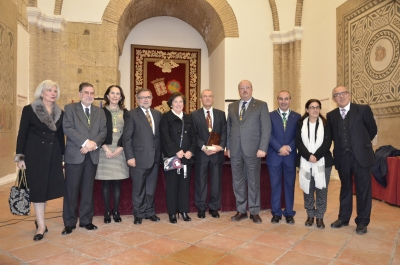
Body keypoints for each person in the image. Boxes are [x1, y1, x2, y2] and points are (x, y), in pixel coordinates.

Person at [15, 80, 65, 241]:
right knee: (38, 190)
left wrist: (62, 157)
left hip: (53, 155)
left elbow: (59, 137)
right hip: (34, 156)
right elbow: (22, 134)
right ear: (42, 92)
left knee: (47, 189)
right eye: (50, 90)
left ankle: (40, 218)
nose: (53, 93)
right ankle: (41, 226)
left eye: (55, 91)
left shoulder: (60, 112)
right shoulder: (29, 110)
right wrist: (20, 157)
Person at [327, 86, 377, 235]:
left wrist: (360, 145)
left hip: (361, 156)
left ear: (349, 95)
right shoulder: (331, 115)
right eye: (337, 95)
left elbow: (372, 130)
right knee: (345, 187)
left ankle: (362, 222)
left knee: (363, 189)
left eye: (344, 93)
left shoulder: (362, 109)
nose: (341, 96)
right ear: (334, 99)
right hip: (342, 157)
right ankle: (343, 218)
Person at [62, 82, 107, 235]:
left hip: (92, 155)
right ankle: (69, 222)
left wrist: (93, 145)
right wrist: (85, 142)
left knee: (88, 190)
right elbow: (68, 128)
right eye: (86, 92)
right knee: (71, 191)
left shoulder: (99, 112)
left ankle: (86, 220)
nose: (89, 95)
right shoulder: (70, 109)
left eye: (92, 93)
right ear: (80, 94)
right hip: (75, 155)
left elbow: (103, 132)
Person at [226, 80, 271, 224]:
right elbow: (229, 128)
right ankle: (241, 210)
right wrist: (228, 147)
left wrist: (263, 148)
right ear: (238, 90)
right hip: (235, 150)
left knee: (253, 181)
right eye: (241, 88)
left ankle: (254, 211)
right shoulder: (232, 106)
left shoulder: (260, 105)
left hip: (253, 150)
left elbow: (266, 129)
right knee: (237, 181)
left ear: (252, 89)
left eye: (247, 88)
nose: (244, 90)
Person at [123, 88, 162, 225]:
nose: (145, 100)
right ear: (137, 99)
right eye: (142, 97)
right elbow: (126, 138)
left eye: (148, 97)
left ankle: (150, 212)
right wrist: (130, 157)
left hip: (155, 159)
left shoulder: (157, 114)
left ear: (151, 99)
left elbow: (159, 137)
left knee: (151, 188)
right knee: (139, 188)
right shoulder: (131, 114)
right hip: (138, 158)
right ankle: (138, 213)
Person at [296, 99, 334, 228]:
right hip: (305, 162)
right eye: (312, 107)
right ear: (307, 110)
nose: (315, 110)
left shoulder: (326, 123)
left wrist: (316, 156)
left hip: (323, 162)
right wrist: (308, 156)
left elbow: (327, 142)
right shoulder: (300, 124)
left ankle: (320, 217)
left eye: (317, 107)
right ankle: (310, 215)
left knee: (321, 190)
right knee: (308, 189)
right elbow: (298, 142)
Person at [160, 92, 197, 223]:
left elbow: (194, 137)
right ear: (171, 104)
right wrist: (176, 151)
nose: (178, 104)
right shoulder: (166, 117)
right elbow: (165, 137)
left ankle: (184, 211)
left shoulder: (188, 118)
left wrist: (191, 151)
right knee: (172, 185)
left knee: (184, 185)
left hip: (187, 157)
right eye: (175, 101)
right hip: (172, 158)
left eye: (180, 102)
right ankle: (172, 212)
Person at [191, 89, 227, 219]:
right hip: (201, 154)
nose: (207, 98)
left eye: (210, 96)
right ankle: (201, 207)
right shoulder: (194, 115)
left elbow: (224, 132)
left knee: (216, 182)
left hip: (216, 154)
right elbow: (193, 134)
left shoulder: (221, 114)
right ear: (200, 99)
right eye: (204, 96)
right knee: (201, 182)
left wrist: (221, 146)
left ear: (213, 99)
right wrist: (202, 147)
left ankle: (214, 207)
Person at [266, 90, 300, 224]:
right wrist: (279, 148)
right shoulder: (269, 116)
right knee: (275, 185)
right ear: (277, 100)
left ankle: (289, 212)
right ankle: (276, 212)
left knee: (289, 185)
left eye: (286, 99)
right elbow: (268, 134)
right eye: (281, 99)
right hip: (274, 156)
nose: (283, 101)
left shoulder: (297, 117)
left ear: (290, 100)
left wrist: (289, 148)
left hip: (290, 157)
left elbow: (299, 136)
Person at [96, 85, 128, 223]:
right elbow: (96, 132)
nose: (115, 96)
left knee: (117, 182)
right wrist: (105, 148)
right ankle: (107, 212)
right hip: (105, 150)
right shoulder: (100, 112)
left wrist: (120, 147)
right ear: (107, 96)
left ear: (121, 97)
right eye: (112, 93)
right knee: (106, 182)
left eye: (118, 94)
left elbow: (128, 132)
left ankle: (116, 211)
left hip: (120, 150)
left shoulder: (126, 113)